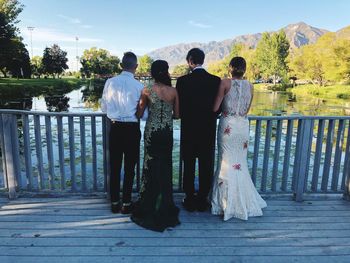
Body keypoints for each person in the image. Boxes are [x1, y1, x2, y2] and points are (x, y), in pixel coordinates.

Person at [211, 57, 267, 221]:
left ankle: (225, 202)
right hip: (242, 126)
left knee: (225, 162)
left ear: (230, 68)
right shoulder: (250, 85)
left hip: (228, 126)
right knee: (240, 163)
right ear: (245, 69)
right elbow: (247, 109)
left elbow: (215, 107)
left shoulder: (225, 83)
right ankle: (244, 200)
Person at [131, 60, 180, 232]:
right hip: (166, 131)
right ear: (166, 72)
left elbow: (139, 112)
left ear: (152, 73)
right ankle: (164, 203)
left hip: (152, 131)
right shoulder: (173, 91)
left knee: (150, 165)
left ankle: (148, 203)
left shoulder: (147, 90)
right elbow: (177, 115)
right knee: (165, 166)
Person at [176, 48, 221, 212]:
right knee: (206, 164)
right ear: (203, 60)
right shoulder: (216, 81)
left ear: (190, 61)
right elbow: (219, 107)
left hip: (188, 129)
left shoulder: (182, 81)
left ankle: (188, 197)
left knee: (188, 163)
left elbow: (178, 108)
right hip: (207, 130)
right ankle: (202, 198)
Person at [101, 52, 143, 214]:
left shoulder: (110, 83)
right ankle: (126, 203)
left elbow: (104, 108)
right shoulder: (139, 86)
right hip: (132, 129)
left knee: (115, 165)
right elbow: (143, 114)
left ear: (121, 65)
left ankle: (114, 202)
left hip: (115, 128)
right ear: (136, 67)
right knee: (130, 167)